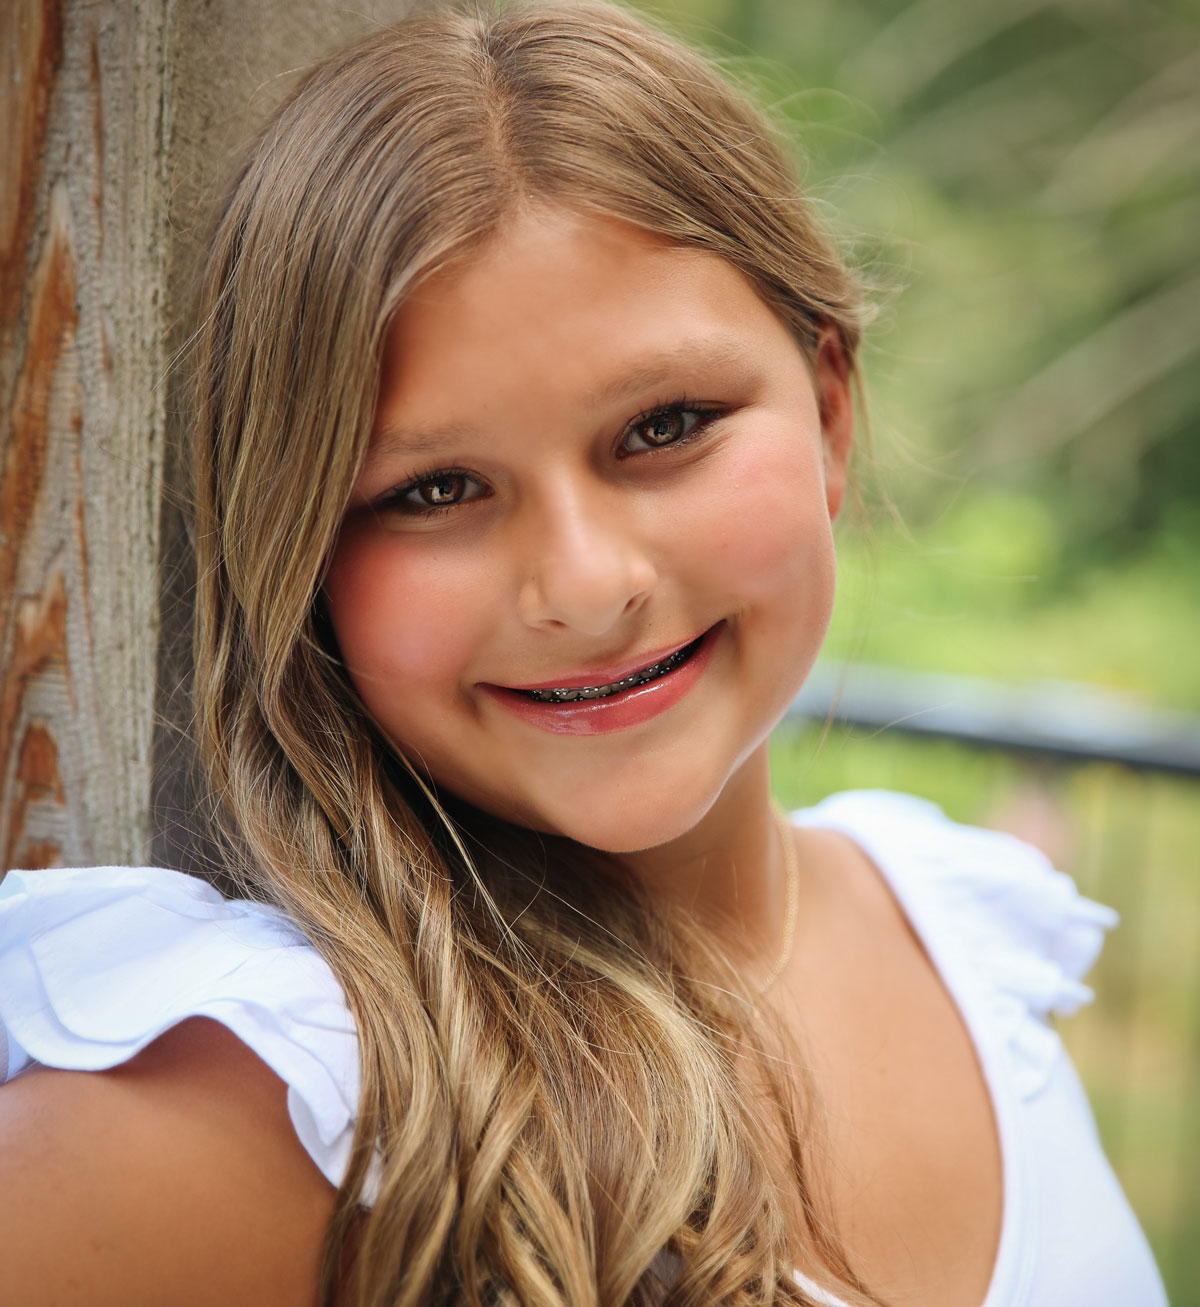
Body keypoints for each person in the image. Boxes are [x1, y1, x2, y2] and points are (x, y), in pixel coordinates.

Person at [0, 3, 1168, 1305]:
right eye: (434, 490)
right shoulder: (281, 1095)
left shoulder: (964, 930)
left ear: (831, 411)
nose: (586, 585)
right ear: (305, 554)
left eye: (665, 426)